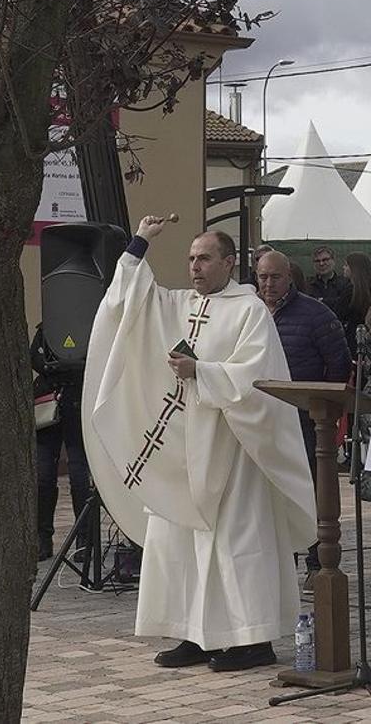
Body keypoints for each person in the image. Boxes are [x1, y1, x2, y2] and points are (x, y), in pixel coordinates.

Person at [83, 219, 316, 672]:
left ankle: (252, 640)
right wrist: (140, 242)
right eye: (191, 258)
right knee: (176, 541)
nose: (195, 266)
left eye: (205, 258)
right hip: (180, 451)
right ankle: (192, 632)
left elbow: (258, 377)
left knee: (236, 544)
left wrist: (202, 373)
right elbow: (130, 302)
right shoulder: (177, 305)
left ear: (229, 263)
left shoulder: (250, 311)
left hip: (234, 448)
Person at [257, 250, 350, 591]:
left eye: (275, 277)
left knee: (308, 488)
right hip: (261, 417)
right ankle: (281, 565)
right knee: (270, 491)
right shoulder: (249, 313)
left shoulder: (315, 314)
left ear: (289, 277)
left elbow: (339, 364)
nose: (268, 284)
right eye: (263, 277)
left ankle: (315, 560)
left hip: (304, 418)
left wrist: (324, 409)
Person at [31, 322, 91, 561]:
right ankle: (42, 539)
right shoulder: (49, 325)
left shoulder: (89, 322)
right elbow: (35, 358)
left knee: (79, 477)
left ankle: (84, 540)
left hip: (78, 401)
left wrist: (64, 369)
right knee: (43, 476)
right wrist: (59, 369)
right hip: (49, 402)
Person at [307, 245, 352, 320]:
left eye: (325, 260)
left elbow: (345, 308)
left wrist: (320, 301)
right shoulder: (307, 285)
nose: (321, 264)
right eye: (317, 261)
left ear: (333, 261)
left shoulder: (346, 284)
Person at [342, 252, 371, 357]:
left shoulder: (349, 291)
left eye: (346, 265)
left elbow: (339, 313)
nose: (343, 268)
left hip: (354, 342)